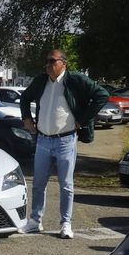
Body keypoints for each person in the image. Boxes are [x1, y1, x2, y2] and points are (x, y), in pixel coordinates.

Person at [18, 49, 109, 239]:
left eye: (52, 61)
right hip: (43, 140)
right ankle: (35, 221)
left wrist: (82, 120)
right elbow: (25, 98)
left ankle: (66, 223)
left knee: (66, 184)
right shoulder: (41, 81)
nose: (48, 65)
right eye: (47, 61)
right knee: (38, 184)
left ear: (64, 64)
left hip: (66, 141)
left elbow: (102, 95)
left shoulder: (75, 80)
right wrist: (27, 118)